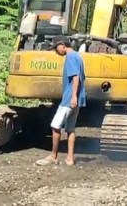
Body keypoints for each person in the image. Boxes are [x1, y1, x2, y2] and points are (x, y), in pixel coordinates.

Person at [36, 36, 86, 166]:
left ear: (62, 45)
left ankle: (53, 156)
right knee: (70, 128)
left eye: (56, 47)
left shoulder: (69, 57)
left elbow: (75, 77)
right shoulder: (78, 56)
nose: (56, 51)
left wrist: (73, 96)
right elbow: (82, 77)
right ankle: (70, 158)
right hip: (78, 97)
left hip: (70, 98)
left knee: (55, 125)